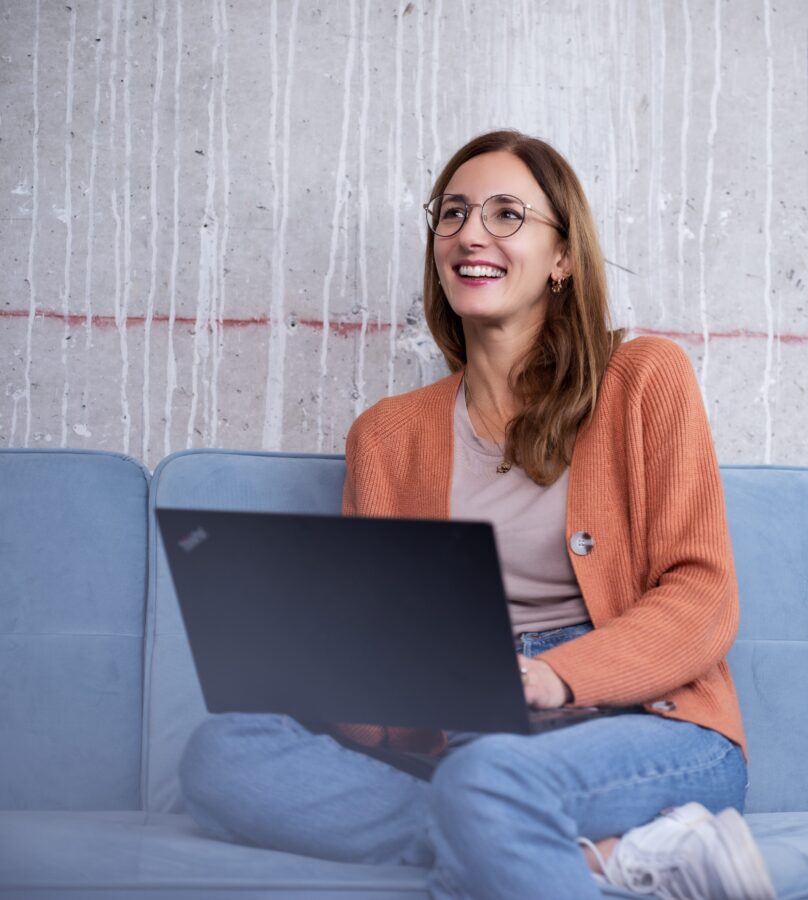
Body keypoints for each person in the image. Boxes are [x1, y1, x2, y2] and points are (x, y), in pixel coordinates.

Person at [178, 129, 775, 900]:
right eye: (452, 214)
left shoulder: (644, 378)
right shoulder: (386, 436)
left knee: (486, 780)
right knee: (222, 753)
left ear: (562, 257)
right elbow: (383, 643)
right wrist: (324, 667)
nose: (470, 234)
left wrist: (554, 676)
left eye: (505, 215)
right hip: (464, 726)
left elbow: (702, 597)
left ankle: (495, 822)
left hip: (643, 723)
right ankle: (603, 858)